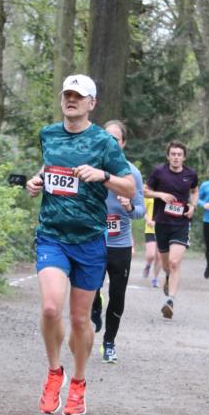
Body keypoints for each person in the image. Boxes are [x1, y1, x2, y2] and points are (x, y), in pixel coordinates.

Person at [26, 75, 135, 415]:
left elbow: (129, 188)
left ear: (92, 103)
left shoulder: (104, 143)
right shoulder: (48, 134)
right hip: (53, 236)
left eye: (78, 96)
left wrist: (103, 176)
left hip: (89, 241)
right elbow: (50, 170)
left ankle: (79, 382)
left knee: (80, 320)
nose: (71, 100)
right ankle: (54, 372)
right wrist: (37, 180)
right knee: (49, 307)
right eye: (67, 95)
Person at [90, 120, 145, 362]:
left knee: (118, 295)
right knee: (91, 289)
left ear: (123, 144)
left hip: (120, 245)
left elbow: (141, 211)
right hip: (93, 241)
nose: (111, 143)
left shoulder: (132, 173)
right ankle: (95, 304)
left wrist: (130, 206)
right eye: (107, 138)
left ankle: (109, 342)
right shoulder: (91, 169)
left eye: (116, 139)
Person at [144, 141, 198, 319]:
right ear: (168, 156)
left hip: (181, 224)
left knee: (175, 263)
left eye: (179, 154)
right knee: (166, 265)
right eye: (173, 154)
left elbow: (195, 190)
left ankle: (170, 300)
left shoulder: (190, 174)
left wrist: (193, 205)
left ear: (184, 157)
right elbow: (145, 191)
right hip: (162, 223)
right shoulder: (159, 172)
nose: (176, 157)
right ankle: (167, 276)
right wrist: (160, 195)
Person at [142, 196, 162, 286]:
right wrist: (148, 220)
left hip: (162, 229)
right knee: (151, 255)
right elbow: (143, 211)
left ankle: (155, 279)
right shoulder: (149, 196)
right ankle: (148, 265)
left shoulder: (165, 196)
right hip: (150, 229)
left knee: (159, 256)